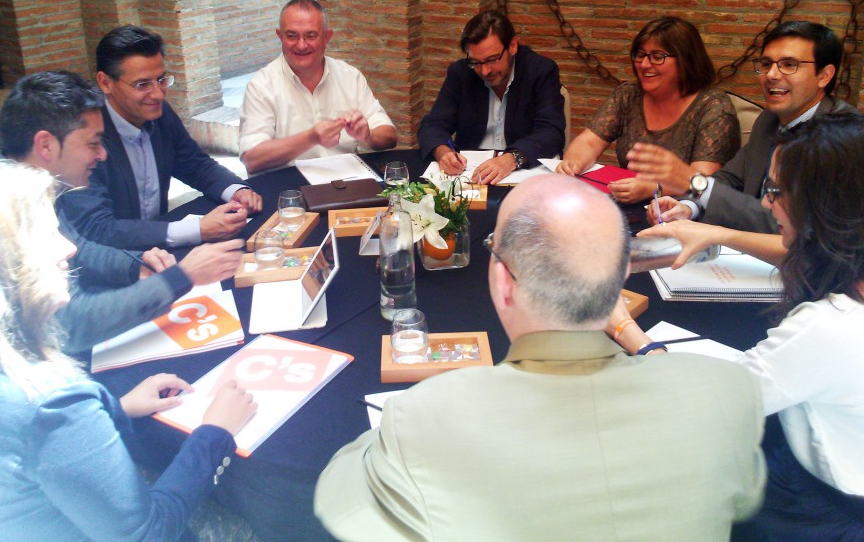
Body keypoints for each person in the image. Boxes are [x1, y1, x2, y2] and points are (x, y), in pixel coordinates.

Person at [314, 173, 765, 541]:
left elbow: (339, 502)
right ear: (623, 275)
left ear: (502, 282)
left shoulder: (421, 418)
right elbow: (742, 499)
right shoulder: (729, 392)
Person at [0, 159, 259, 542]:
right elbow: (147, 534)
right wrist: (215, 432)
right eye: (45, 234)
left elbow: (9, 448)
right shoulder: (50, 399)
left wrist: (115, 408)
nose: (69, 249)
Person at [640, 112, 864, 541]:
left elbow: (712, 403)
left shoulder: (832, 325)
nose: (765, 203)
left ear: (827, 206)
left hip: (856, 516)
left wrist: (631, 335)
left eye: (776, 190)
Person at [0, 70, 246, 353]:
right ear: (45, 145)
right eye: (93, 143)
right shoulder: (5, 215)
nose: (102, 155)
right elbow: (71, 324)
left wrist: (134, 265)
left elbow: (80, 248)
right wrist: (182, 277)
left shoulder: (28, 185)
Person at [634, 20, 853, 232]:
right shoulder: (769, 120)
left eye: (789, 65)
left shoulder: (841, 138)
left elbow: (787, 226)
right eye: (766, 64)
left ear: (824, 76)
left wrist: (694, 184)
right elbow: (730, 179)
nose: (772, 75)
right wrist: (688, 207)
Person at [58, 25, 262, 250]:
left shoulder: (160, 113)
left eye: (161, 79)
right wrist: (199, 228)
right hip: (115, 260)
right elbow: (99, 228)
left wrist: (237, 190)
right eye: (142, 84)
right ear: (105, 83)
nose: (157, 93)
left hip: (159, 245)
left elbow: (195, 165)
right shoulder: (87, 139)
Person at [558, 16, 740, 203]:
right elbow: (589, 142)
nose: (645, 64)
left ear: (686, 60)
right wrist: (574, 163)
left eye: (657, 57)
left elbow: (701, 182)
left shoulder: (714, 108)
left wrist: (654, 189)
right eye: (641, 54)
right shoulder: (628, 95)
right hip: (632, 206)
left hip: (687, 214)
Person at [238, 0, 397, 173]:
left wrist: (368, 136)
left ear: (327, 37)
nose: (301, 45)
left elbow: (389, 136)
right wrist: (310, 138)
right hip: (288, 189)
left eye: (310, 35)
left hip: (347, 183)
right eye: (291, 36)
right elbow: (251, 159)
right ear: (280, 36)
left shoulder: (349, 76)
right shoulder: (261, 86)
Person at [417, 9, 566, 184]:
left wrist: (511, 159)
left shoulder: (540, 71)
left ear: (512, 46)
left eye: (492, 60)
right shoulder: (461, 73)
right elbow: (433, 125)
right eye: (476, 62)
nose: (485, 71)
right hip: (470, 176)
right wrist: (442, 151)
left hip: (523, 175)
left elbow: (551, 132)